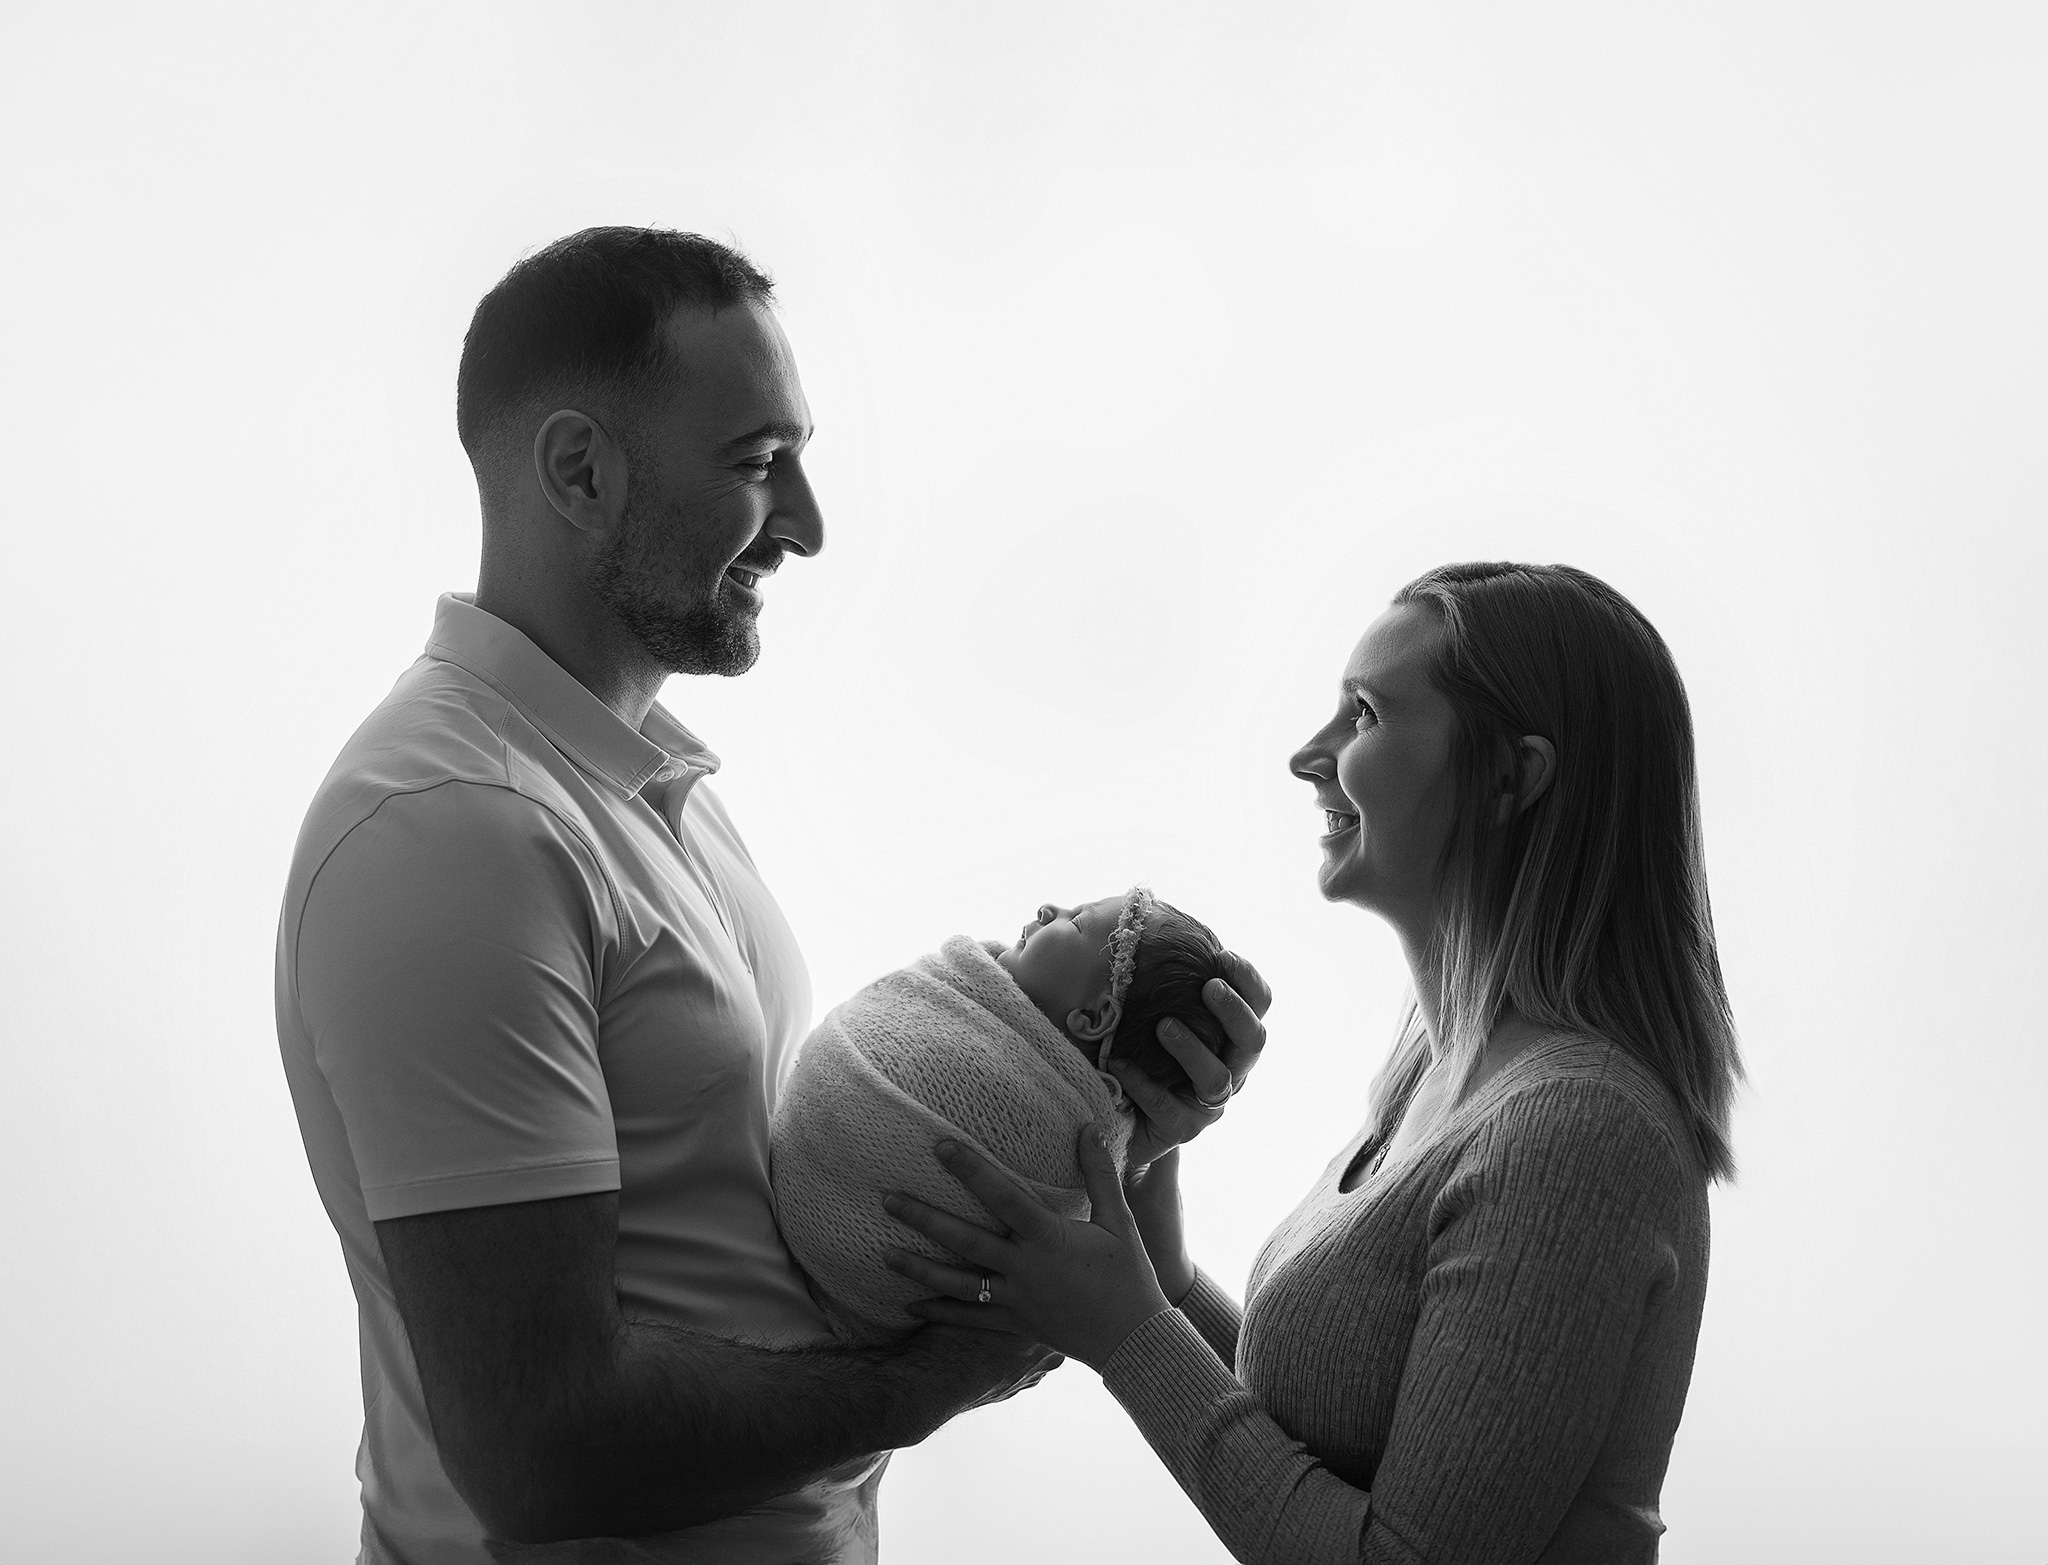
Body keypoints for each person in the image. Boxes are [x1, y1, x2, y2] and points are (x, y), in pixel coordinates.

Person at [273, 227, 1269, 1564]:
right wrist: (949, 1376)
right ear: (579, 469)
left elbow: (747, 1254)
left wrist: (1119, 1114)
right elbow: (542, 1450)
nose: (807, 523)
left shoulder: (651, 798)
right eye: (757, 464)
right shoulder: (454, 832)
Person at [885, 561, 1743, 1563]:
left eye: (1364, 714)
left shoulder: (1575, 1131)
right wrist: (1150, 1208)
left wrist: (1125, 1331)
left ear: (1512, 777)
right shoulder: (1440, 1071)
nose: (1306, 754)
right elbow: (1334, 1449)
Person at [771, 889, 1231, 1341]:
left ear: (1093, 1017)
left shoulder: (1067, 1138)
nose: (1049, 907)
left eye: (1075, 921)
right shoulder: (965, 1015)